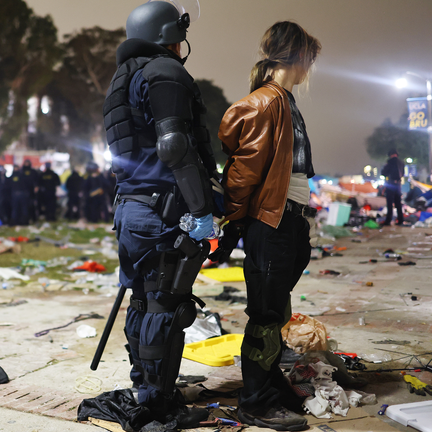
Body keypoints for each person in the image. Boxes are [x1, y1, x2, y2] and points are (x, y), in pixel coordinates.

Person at [102, 1, 219, 427]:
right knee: (166, 307)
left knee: (143, 302)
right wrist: (203, 210)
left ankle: (145, 383)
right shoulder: (164, 71)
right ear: (167, 34)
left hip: (131, 210)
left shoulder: (123, 77)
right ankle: (156, 400)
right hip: (161, 211)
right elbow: (174, 147)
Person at [214, 20, 321, 431]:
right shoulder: (265, 102)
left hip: (288, 222)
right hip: (270, 224)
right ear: (295, 56)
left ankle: (271, 386)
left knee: (276, 312)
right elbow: (242, 174)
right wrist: (233, 222)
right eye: (308, 58)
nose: (309, 68)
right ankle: (255, 402)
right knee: (265, 314)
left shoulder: (286, 100)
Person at [381, 149, 405, 226]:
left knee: (390, 203)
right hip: (398, 185)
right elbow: (403, 174)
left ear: (390, 155)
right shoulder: (401, 163)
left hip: (391, 184)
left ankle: (388, 220)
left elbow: (384, 173)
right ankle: (400, 220)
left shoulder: (390, 162)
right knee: (398, 203)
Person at [21, 159, 39, 223]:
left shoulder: (33, 172)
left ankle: (33, 218)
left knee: (32, 205)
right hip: (23, 192)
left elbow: (37, 180)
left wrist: (36, 186)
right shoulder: (21, 171)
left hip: (31, 192)